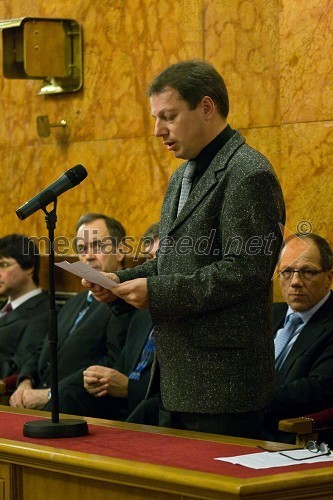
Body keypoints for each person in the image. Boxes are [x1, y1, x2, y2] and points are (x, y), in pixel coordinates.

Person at [83, 60, 286, 439]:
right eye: (156, 117)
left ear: (206, 108)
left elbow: (245, 270)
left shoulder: (248, 172)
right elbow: (172, 262)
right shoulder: (181, 175)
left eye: (169, 116)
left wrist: (155, 292)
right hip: (176, 378)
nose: (158, 130)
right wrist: (117, 282)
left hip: (224, 385)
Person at [9, 213, 133, 410]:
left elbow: (110, 365)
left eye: (98, 246)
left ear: (120, 251)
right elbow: (43, 348)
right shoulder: (74, 302)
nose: (88, 256)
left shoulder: (126, 302)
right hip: (35, 401)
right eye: (82, 249)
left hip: (80, 409)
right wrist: (25, 381)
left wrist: (51, 394)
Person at [54, 223, 160, 420]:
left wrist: (128, 387)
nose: (88, 256)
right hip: (120, 403)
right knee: (69, 395)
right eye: (149, 260)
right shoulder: (139, 313)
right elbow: (119, 367)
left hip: (149, 408)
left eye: (97, 246)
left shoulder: (130, 305)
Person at [262, 233, 333, 443]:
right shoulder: (266, 316)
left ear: (328, 278)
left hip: (291, 437)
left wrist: (246, 399)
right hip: (241, 425)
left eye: (307, 272)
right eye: (287, 272)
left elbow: (319, 389)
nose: (295, 282)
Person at [0, 234, 49, 380]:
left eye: (4, 265)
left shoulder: (44, 313)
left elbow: (17, 368)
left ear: (29, 267)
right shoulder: (4, 307)